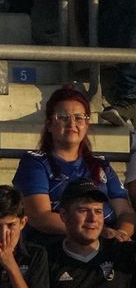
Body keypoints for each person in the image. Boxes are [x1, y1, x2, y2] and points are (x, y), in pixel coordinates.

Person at [14, 85, 136, 241]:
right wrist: (98, 232)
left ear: (86, 125)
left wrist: (122, 234)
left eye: (79, 118)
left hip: (106, 246)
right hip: (58, 250)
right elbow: (41, 217)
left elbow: (126, 212)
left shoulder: (101, 165)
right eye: (63, 117)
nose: (72, 124)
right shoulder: (35, 163)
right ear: (49, 124)